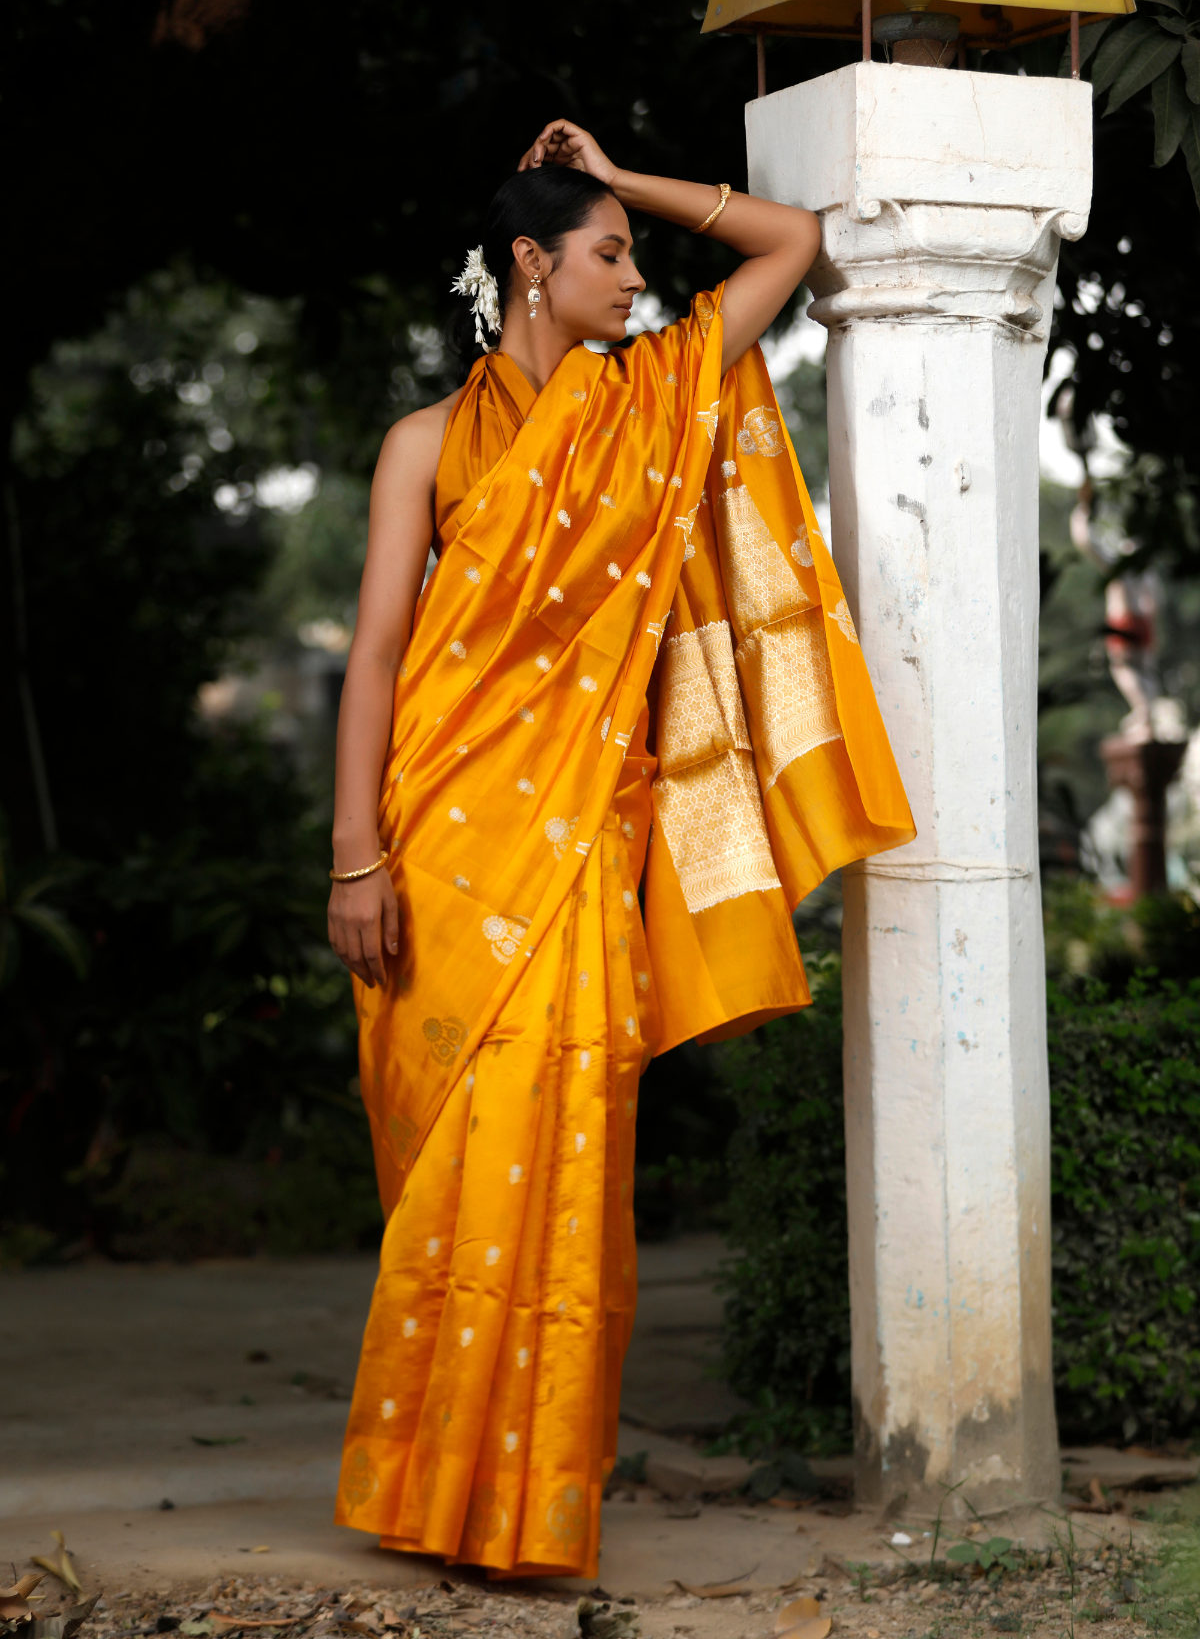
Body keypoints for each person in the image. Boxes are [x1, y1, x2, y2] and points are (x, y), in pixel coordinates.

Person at [328, 119, 914, 1577]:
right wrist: (354, 856)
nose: (636, 275)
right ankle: (421, 1488)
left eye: (638, 253)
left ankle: (526, 1504)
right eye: (607, 253)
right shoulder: (424, 444)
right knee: (456, 1170)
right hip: (445, 844)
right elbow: (379, 654)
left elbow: (790, 242)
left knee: (567, 1179)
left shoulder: (653, 394)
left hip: (584, 846)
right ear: (530, 266)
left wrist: (626, 174)